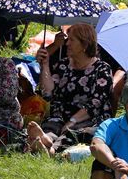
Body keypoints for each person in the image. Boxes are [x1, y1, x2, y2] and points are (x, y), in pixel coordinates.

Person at [27, 24, 114, 157]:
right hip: (61, 115)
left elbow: (94, 105)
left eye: (72, 40)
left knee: (73, 133)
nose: (67, 43)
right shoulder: (63, 64)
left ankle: (50, 149)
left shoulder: (102, 69)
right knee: (52, 125)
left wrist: (72, 121)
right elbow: (48, 92)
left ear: (85, 44)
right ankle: (46, 140)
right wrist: (44, 65)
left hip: (87, 118)